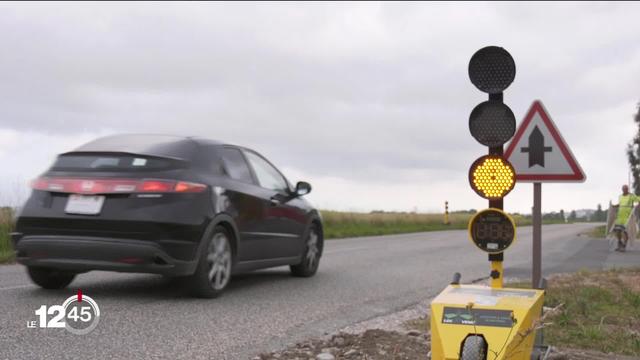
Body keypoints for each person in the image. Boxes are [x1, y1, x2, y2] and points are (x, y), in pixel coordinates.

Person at [613, 184, 640, 252]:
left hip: (627, 217)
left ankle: (624, 246)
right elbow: (620, 204)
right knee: (617, 231)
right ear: (622, 189)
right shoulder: (620, 196)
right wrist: (613, 206)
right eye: (624, 189)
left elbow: (638, 199)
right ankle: (620, 243)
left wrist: (637, 206)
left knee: (625, 232)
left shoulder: (631, 196)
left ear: (628, 189)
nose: (625, 190)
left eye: (626, 189)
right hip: (620, 217)